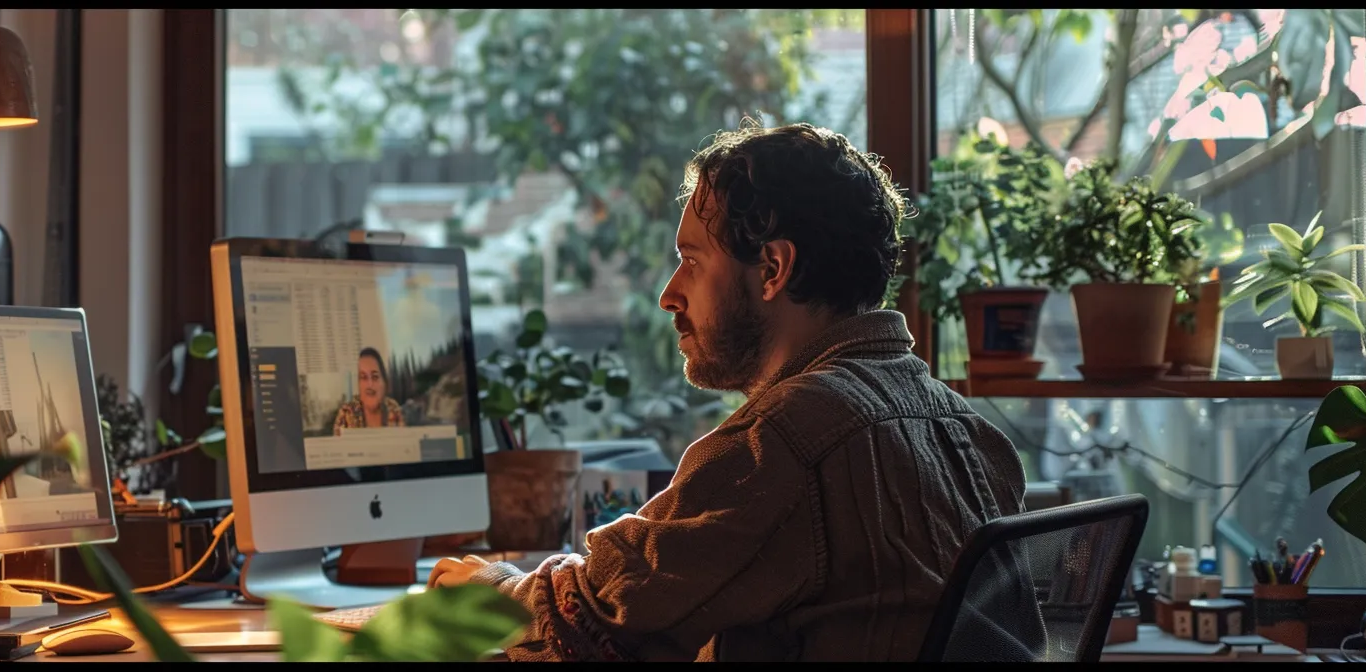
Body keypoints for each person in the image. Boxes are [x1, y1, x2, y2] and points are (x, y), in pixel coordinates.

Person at [428, 123, 1036, 662]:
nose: (669, 293)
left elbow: (592, 620)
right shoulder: (968, 431)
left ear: (773, 269)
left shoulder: (789, 441)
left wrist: (490, 587)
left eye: (691, 260)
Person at [334, 347, 404, 431]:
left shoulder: (393, 409)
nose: (369, 384)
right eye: (363, 377)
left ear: (384, 382)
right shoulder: (346, 413)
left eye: (375, 377)